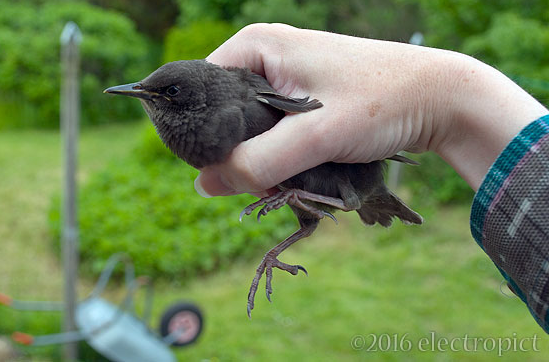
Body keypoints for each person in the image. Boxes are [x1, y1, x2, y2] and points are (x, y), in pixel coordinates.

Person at [194, 23, 549, 332]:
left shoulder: (253, 98)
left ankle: (364, 205)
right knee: (307, 222)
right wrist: (445, 102)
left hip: (356, 182)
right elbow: (308, 223)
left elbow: (346, 198)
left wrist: (438, 95)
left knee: (349, 202)